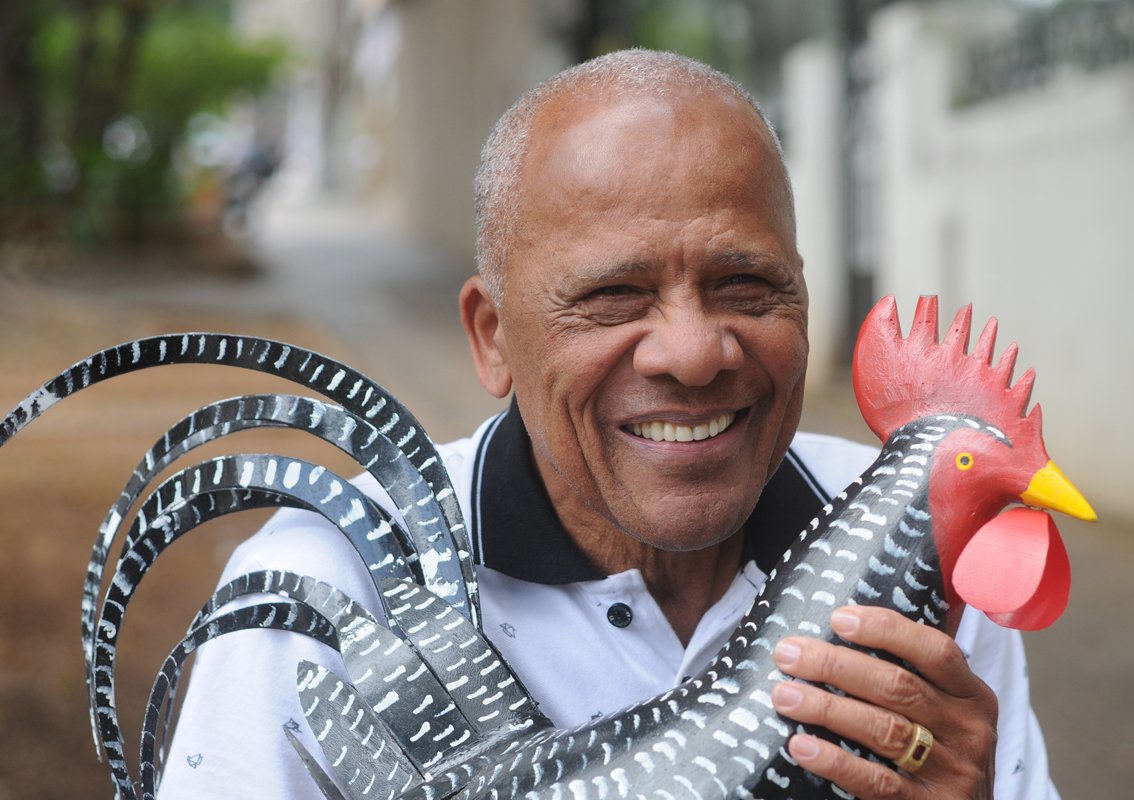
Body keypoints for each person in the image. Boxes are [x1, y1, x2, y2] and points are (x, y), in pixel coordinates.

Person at [159, 49, 1057, 799]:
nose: (694, 352)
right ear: (493, 337)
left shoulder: (930, 554)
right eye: (614, 294)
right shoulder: (330, 587)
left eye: (745, 284)